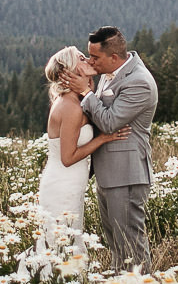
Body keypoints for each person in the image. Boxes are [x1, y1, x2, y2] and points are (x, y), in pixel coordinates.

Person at [60, 25, 158, 270]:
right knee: (115, 241)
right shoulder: (107, 73)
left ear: (114, 57)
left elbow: (110, 122)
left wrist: (84, 91)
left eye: (95, 57)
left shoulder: (139, 82)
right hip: (107, 174)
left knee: (129, 242)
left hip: (126, 174)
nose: (91, 62)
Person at [35, 46, 129, 246]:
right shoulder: (70, 107)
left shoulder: (73, 101)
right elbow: (67, 158)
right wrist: (103, 139)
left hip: (70, 184)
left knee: (65, 244)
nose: (88, 59)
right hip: (62, 186)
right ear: (69, 71)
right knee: (61, 246)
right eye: (81, 58)